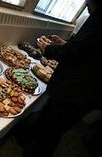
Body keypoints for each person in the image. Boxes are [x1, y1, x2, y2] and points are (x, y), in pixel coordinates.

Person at [17, 0, 102, 156]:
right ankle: (27, 138)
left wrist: (47, 49)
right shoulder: (97, 17)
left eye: (89, 1)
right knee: (48, 116)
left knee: (52, 132)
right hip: (79, 89)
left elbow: (76, 54)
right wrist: (65, 44)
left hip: (77, 92)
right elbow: (86, 50)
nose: (86, 3)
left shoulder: (100, 20)